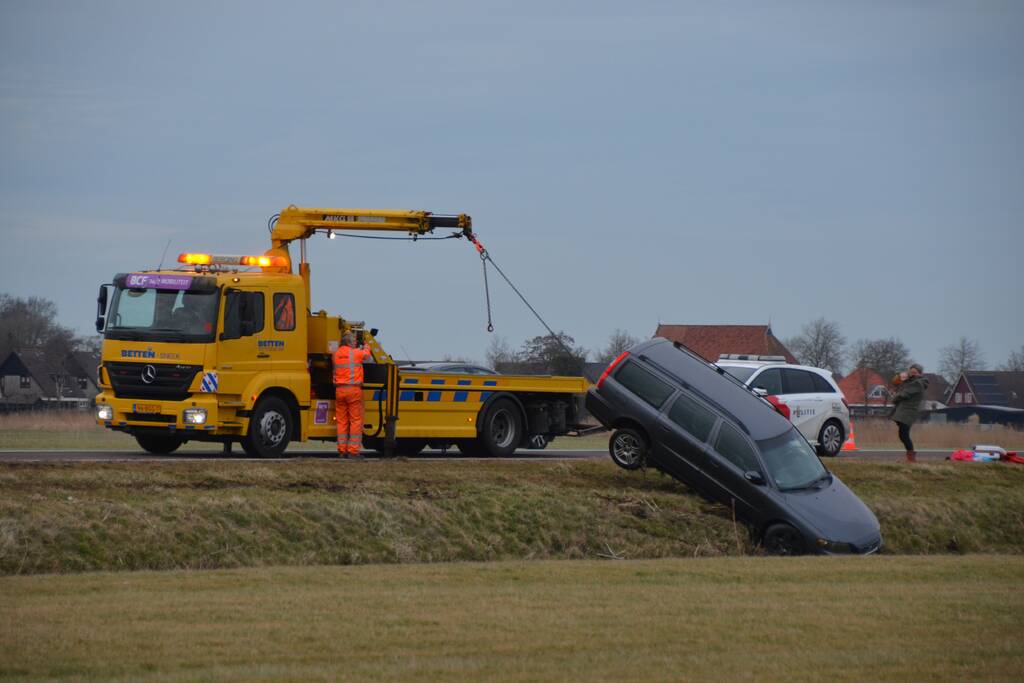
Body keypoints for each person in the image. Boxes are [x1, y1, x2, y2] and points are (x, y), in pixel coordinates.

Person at [333, 332, 372, 458]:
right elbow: (367, 355)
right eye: (354, 341)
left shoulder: (336, 354)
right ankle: (353, 451)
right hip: (353, 391)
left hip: (339, 391)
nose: (355, 343)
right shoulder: (355, 353)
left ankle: (342, 450)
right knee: (355, 421)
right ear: (349, 343)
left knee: (341, 421)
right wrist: (366, 344)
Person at [890, 363, 929, 462]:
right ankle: (910, 456)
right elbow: (901, 387)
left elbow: (904, 394)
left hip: (908, 412)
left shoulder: (917, 384)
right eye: (911, 372)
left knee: (904, 434)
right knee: (903, 434)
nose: (912, 374)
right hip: (904, 411)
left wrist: (894, 398)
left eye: (914, 372)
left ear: (920, 373)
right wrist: (901, 380)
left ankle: (911, 457)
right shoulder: (912, 382)